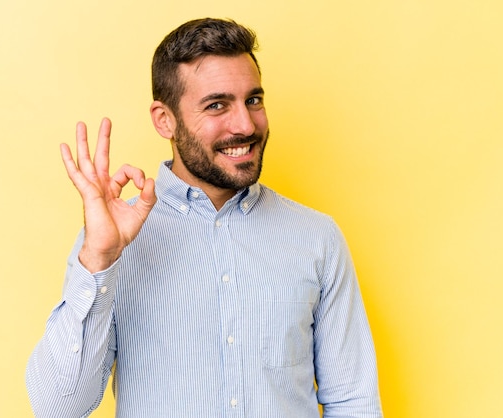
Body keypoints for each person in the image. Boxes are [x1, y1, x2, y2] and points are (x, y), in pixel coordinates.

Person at [26, 18, 383, 418]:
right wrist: (98, 261)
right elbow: (57, 407)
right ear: (165, 120)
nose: (246, 125)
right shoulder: (110, 243)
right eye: (217, 105)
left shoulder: (317, 238)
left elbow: (354, 403)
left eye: (253, 100)